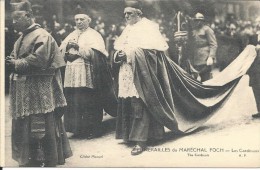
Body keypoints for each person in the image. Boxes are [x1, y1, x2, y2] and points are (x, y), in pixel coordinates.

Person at [6, 0, 72, 167]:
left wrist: (16, 64)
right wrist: (11, 61)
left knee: (40, 122)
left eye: (17, 18)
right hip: (25, 88)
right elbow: (16, 56)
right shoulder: (21, 37)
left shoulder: (42, 35)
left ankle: (44, 159)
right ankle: (28, 159)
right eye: (13, 19)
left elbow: (40, 60)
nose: (14, 22)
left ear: (28, 16)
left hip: (38, 88)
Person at [114, 1, 167, 155]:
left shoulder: (149, 27)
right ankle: (131, 136)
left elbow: (152, 53)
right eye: (124, 14)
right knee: (129, 102)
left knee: (140, 103)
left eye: (129, 13)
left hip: (142, 72)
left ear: (139, 13)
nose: (126, 16)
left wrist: (129, 54)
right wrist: (119, 54)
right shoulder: (128, 28)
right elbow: (119, 47)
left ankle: (141, 140)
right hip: (127, 71)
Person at [60, 9, 117, 138]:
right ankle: (77, 128)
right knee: (74, 100)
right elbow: (60, 50)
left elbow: (96, 54)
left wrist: (78, 47)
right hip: (72, 73)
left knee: (88, 100)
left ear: (88, 21)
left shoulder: (94, 35)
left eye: (82, 19)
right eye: (77, 20)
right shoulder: (71, 34)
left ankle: (92, 129)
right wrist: (67, 46)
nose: (79, 22)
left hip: (87, 74)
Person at [190, 12, 218, 81]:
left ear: (203, 21)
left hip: (205, 59)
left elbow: (213, 44)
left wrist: (211, 57)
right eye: (196, 20)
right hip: (195, 59)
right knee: (195, 81)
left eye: (199, 20)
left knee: (206, 80)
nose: (198, 22)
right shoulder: (193, 31)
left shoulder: (207, 29)